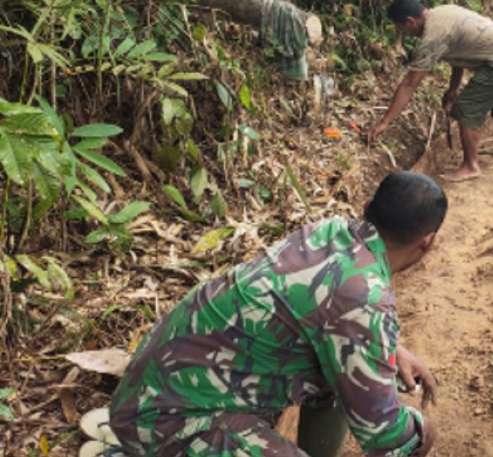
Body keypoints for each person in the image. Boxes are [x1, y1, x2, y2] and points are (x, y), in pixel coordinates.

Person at [107, 171, 446, 457]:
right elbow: (385, 436)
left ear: (368, 208)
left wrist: (391, 349)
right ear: (428, 241)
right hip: (164, 420)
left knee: (335, 375)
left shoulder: (330, 233)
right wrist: (423, 431)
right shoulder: (365, 297)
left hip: (153, 388)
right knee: (409, 434)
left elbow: (331, 313)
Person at [366, 0, 493, 182]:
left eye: (400, 28)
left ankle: (470, 166)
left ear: (410, 22)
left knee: (465, 107)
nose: (402, 33)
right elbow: (458, 55)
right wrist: (452, 88)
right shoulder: (442, 12)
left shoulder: (432, 38)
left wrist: (385, 122)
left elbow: (410, 84)